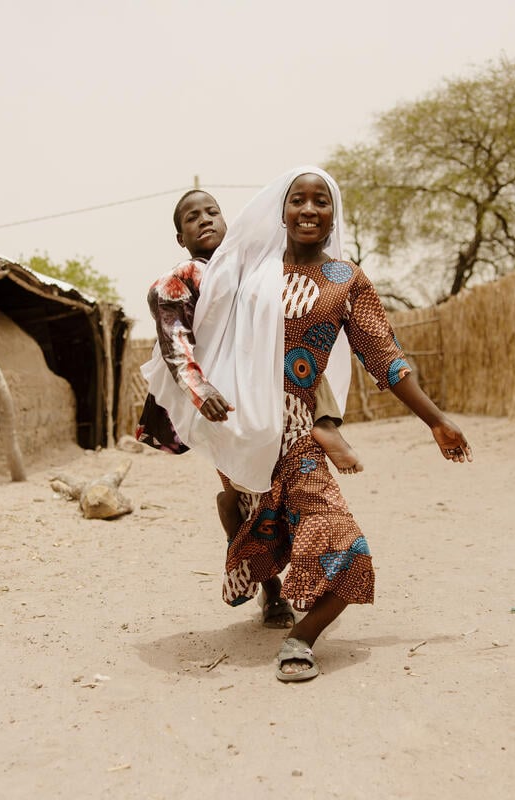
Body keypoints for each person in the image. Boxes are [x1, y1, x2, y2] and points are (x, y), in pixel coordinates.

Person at [144, 167, 471, 682]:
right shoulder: (249, 269)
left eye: (322, 202)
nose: (310, 210)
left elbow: (384, 355)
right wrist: (196, 390)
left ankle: (301, 638)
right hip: (242, 425)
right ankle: (270, 594)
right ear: (282, 209)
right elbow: (187, 316)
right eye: (299, 200)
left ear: (333, 214)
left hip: (296, 433)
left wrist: (436, 421)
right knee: (247, 508)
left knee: (346, 544)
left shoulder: (345, 280)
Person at [136, 188, 362, 628]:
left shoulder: (257, 268)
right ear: (180, 237)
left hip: (276, 394)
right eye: (191, 217)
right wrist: (201, 392)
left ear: (229, 221)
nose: (204, 220)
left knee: (284, 488)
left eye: (212, 211)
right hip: (224, 405)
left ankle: (325, 421)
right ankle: (271, 589)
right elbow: (175, 345)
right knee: (251, 494)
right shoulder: (179, 279)